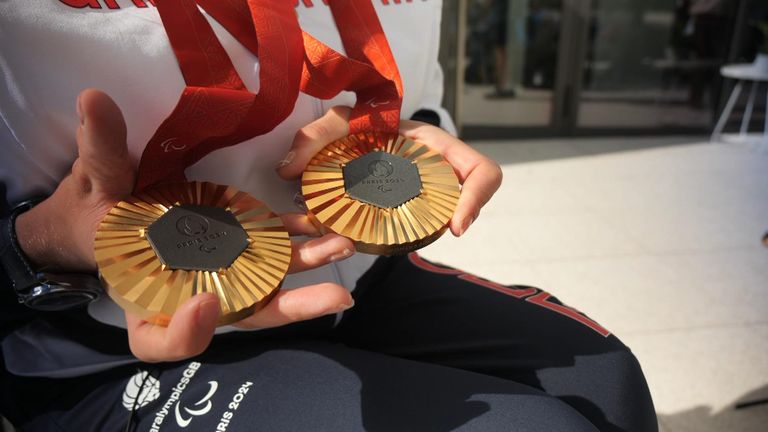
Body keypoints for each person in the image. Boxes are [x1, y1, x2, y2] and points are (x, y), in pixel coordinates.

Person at [0, 1, 657, 431]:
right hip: (102, 340)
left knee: (609, 385)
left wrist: (412, 131)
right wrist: (40, 241)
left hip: (358, 276)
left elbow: (418, 87)